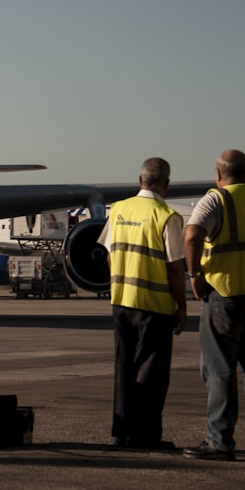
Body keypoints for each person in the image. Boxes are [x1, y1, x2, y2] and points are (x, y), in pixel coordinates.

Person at [97, 157, 187, 449]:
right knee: (151, 372)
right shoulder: (167, 216)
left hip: (121, 300)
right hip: (154, 304)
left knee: (123, 366)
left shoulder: (119, 209)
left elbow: (110, 254)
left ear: (140, 180)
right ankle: (146, 436)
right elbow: (175, 267)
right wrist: (181, 305)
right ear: (167, 184)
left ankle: (121, 432)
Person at [182, 149, 245, 462]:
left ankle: (219, 441)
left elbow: (192, 234)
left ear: (219, 175)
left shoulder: (217, 200)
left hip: (224, 295)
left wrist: (194, 275)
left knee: (220, 370)